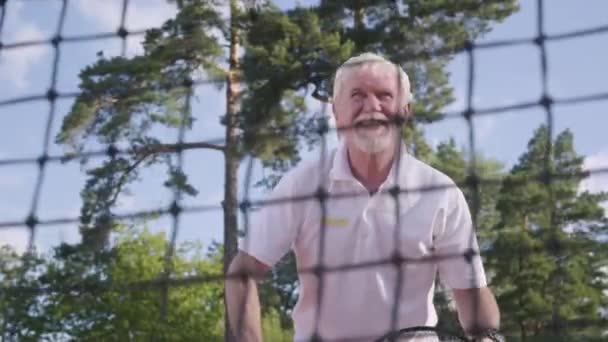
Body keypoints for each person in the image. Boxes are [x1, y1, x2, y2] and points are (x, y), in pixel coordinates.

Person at [225, 53, 502, 342]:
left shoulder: (441, 193)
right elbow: (242, 273)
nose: (372, 107)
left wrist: (489, 336)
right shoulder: (301, 186)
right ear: (336, 111)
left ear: (405, 110)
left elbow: (472, 300)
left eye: (385, 95)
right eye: (357, 95)